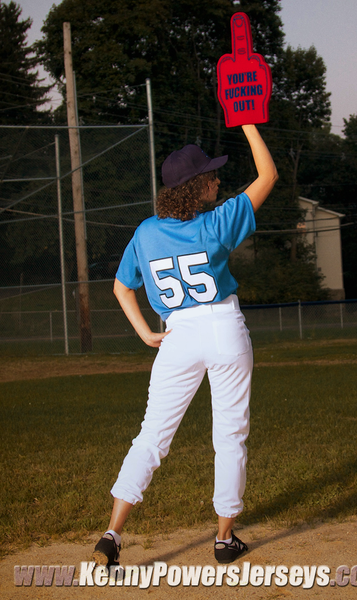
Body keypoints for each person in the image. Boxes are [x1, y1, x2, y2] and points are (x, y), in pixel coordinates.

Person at [93, 124, 278, 567]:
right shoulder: (215, 223)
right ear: (196, 188)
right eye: (211, 176)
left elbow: (121, 288)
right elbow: (268, 175)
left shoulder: (145, 232)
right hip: (222, 327)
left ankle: (112, 534)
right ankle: (223, 539)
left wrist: (144, 332)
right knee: (230, 436)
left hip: (176, 335)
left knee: (152, 437)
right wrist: (247, 121)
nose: (217, 180)